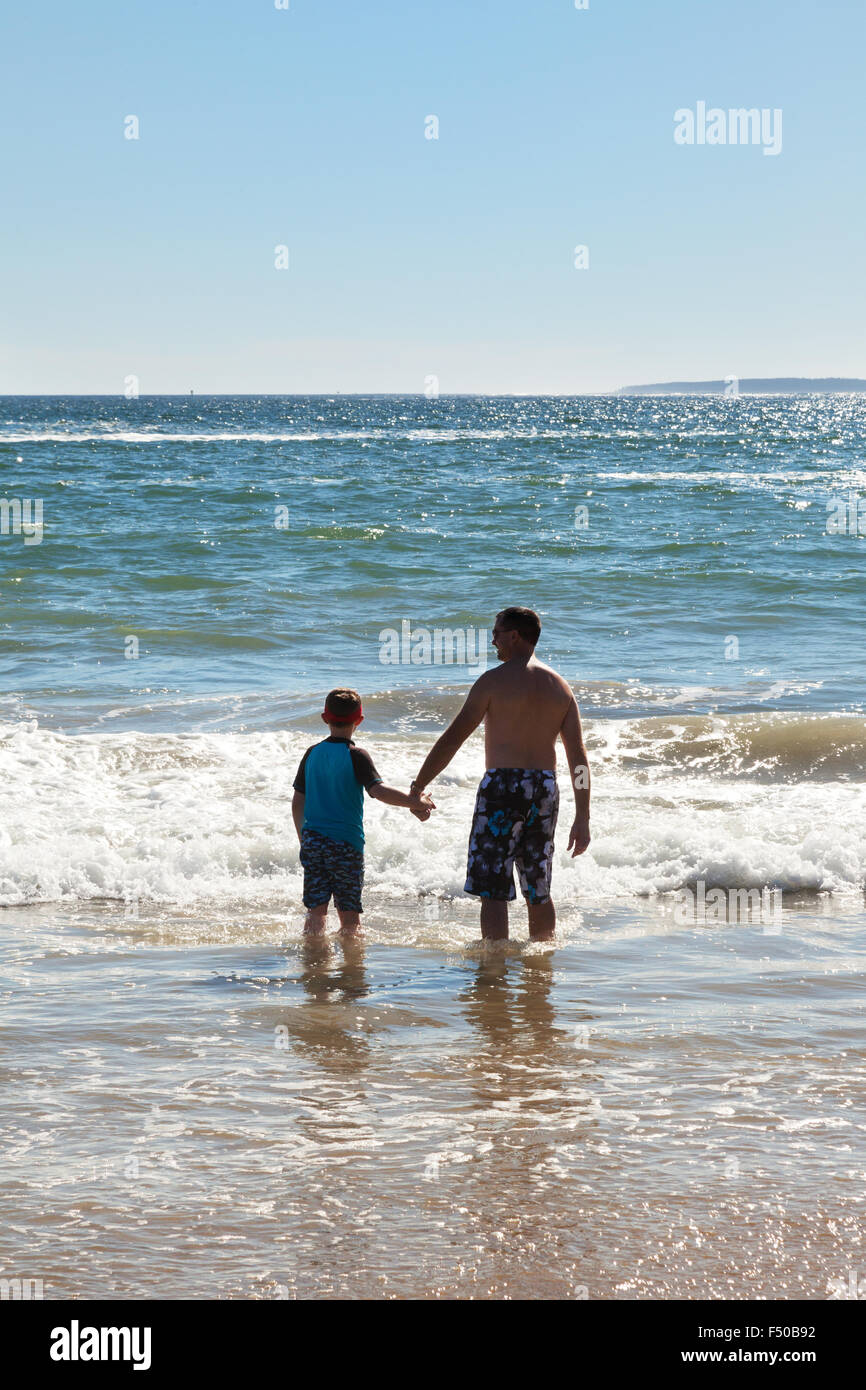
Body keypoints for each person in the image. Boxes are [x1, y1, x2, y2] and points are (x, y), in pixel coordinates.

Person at [410, 607, 590, 941]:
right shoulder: (560, 687)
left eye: (496, 633)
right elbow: (578, 759)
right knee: (538, 886)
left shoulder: (492, 681)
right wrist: (583, 816)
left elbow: (454, 737)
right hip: (544, 788)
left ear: (515, 635)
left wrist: (419, 785)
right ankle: (541, 959)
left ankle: (493, 967)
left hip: (503, 787)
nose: (493, 640)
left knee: (492, 887)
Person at [292, 688, 434, 937]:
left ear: (325, 718)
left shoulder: (312, 753)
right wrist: (416, 802)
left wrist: (304, 838)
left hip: (313, 841)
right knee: (350, 917)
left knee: (315, 913)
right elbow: (378, 791)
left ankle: (313, 965)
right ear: (359, 720)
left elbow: (298, 801)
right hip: (346, 844)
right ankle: (351, 971)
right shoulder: (356, 755)